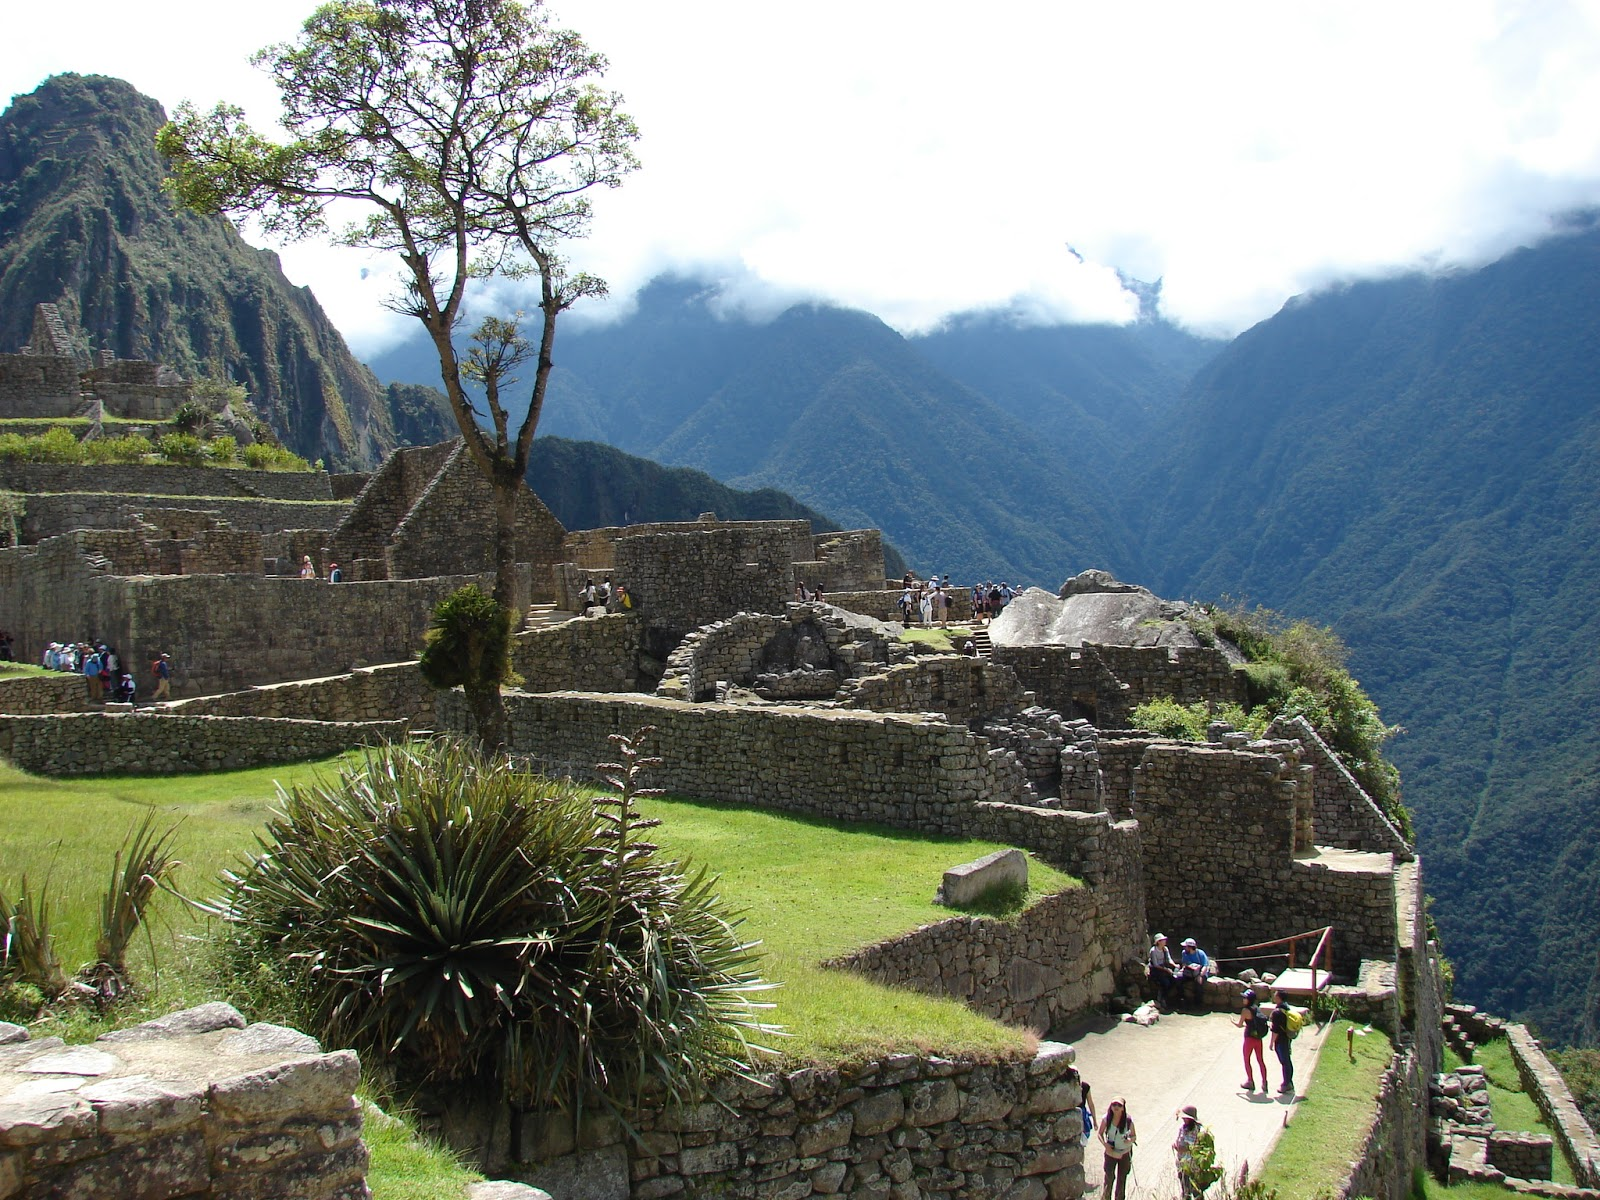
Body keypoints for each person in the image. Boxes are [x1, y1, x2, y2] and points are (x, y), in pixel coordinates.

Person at [1097, 1097, 1135, 1200]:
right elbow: (1099, 1134)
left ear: (1123, 1108)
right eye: (1114, 1105)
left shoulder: (1128, 1120)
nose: (1116, 1107)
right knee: (1109, 1179)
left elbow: (1134, 1136)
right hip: (1110, 1153)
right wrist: (1105, 1144)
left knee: (1121, 1180)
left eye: (1119, 1105)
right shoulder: (1106, 1118)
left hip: (1125, 1154)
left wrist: (1130, 1140)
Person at [1236, 987, 1269, 1091]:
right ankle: (1264, 1082)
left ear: (1248, 999)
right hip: (1258, 1038)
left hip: (1249, 1038)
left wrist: (1233, 1021)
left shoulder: (1245, 1010)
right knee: (1260, 1060)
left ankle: (1250, 1081)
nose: (1243, 999)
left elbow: (1239, 1024)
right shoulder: (1256, 1008)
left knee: (1247, 1060)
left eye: (1245, 998)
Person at [1173, 1106, 1205, 1200]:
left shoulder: (1196, 1130)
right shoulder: (1183, 1128)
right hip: (1182, 1165)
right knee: (1185, 1191)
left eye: (1185, 1118)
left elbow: (1194, 1147)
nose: (1183, 1119)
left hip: (1191, 1167)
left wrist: (1182, 1149)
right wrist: (1176, 1145)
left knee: (1195, 1190)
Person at [1270, 992, 1297, 1096]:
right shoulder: (1287, 1009)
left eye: (1276, 995)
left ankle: (1286, 1084)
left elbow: (1275, 1030)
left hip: (1280, 1040)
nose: (1274, 996)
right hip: (1287, 1038)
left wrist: (1271, 1043)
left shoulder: (1277, 1012)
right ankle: (1288, 1082)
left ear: (1279, 998)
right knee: (1287, 1061)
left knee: (1284, 1062)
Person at [1148, 933, 1178, 1009]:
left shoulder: (1165, 949)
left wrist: (1175, 965)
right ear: (1158, 942)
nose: (1165, 941)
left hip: (1164, 968)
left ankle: (1166, 997)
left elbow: (1169, 959)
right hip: (1156, 970)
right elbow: (1155, 964)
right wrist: (1166, 970)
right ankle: (1162, 998)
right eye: (1163, 940)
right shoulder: (1153, 951)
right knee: (1165, 983)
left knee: (1174, 980)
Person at [1179, 937, 1211, 1007]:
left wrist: (1200, 975)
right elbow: (1184, 963)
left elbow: (1205, 966)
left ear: (1190, 947)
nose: (1184, 948)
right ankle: (1182, 1000)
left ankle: (1198, 1004)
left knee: (1198, 984)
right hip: (1189, 973)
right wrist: (1183, 969)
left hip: (1200, 973)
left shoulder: (1201, 953)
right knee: (1178, 980)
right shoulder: (1184, 953)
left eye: (1185, 947)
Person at [1080, 1080, 1097, 1145]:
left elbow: (1091, 1104)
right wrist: (1094, 1122)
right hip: (1083, 1116)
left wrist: (1095, 1121)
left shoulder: (1085, 1086)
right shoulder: (1085, 1086)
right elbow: (1090, 1104)